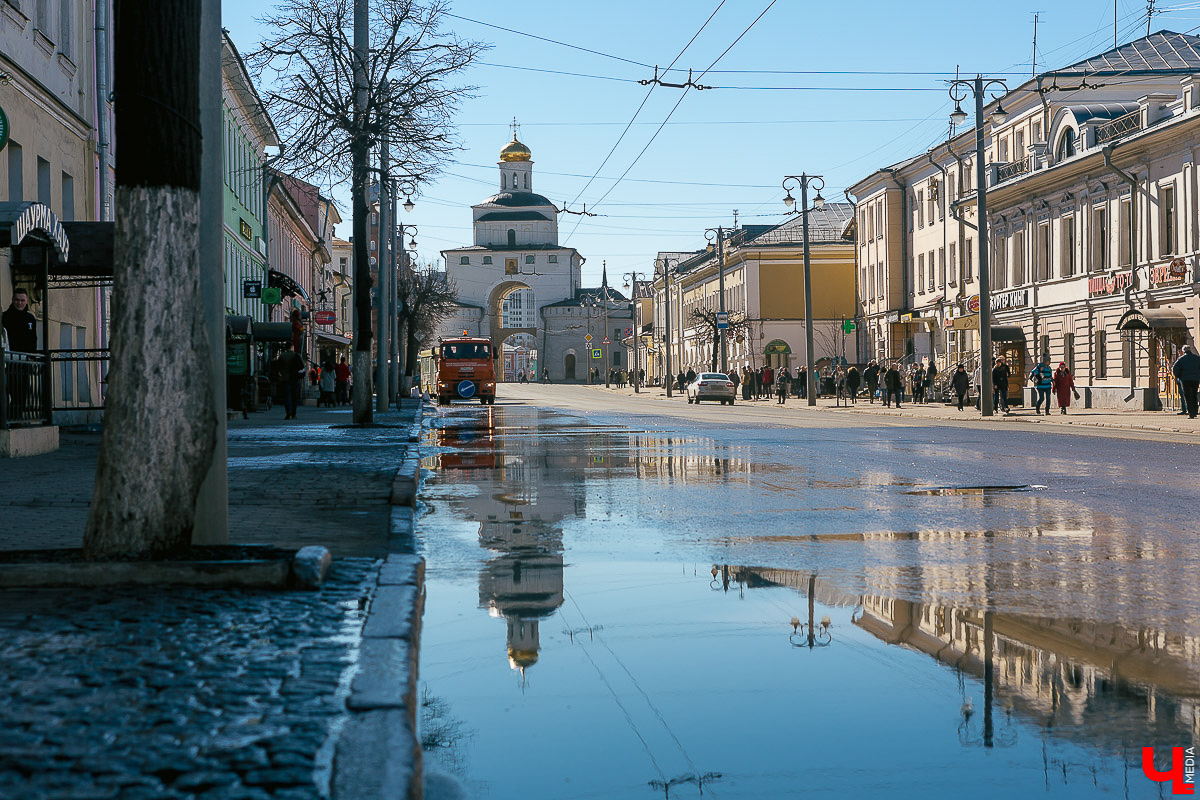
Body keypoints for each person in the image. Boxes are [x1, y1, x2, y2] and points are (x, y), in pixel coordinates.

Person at [273, 341, 306, 420]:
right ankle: (294, 414)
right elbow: (302, 366)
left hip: (285, 378)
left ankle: (288, 413)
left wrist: (279, 376)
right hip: (294, 378)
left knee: (287, 396)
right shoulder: (296, 355)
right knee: (294, 396)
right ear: (292, 347)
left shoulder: (282, 356)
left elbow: (277, 368)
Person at [2, 288, 38, 353]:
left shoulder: (31, 318)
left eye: (22, 300)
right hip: (10, 356)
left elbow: (33, 339)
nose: (19, 303)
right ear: (12, 300)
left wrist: (32, 356)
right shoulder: (4, 317)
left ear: (27, 301)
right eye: (17, 300)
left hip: (27, 356)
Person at [1172, 344, 1200, 418]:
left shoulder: (1181, 359)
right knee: (1194, 394)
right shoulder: (1197, 358)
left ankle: (1191, 413)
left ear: (1183, 351)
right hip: (1196, 379)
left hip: (1185, 380)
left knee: (1188, 396)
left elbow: (1175, 368)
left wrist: (1178, 376)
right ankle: (1195, 411)